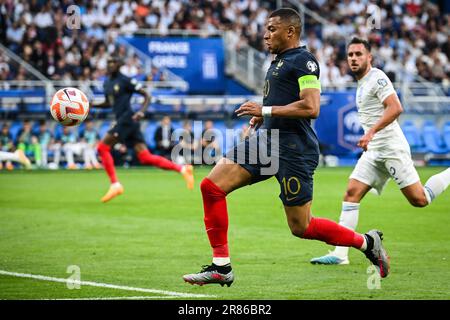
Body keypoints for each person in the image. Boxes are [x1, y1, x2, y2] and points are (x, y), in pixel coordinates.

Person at [182, 9, 389, 287]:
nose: (265, 35)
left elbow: (311, 106)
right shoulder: (279, 61)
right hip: (267, 142)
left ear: (290, 32)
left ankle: (366, 242)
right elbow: (285, 101)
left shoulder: (305, 61)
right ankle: (222, 266)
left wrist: (265, 109)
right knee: (211, 187)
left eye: (271, 29)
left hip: (294, 150)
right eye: (266, 29)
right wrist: (264, 115)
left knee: (301, 227)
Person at [310, 37, 450, 265]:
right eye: (350, 55)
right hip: (374, 151)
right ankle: (340, 254)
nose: (353, 58)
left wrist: (371, 131)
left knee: (420, 199)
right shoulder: (362, 82)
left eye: (358, 54)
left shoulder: (377, 78)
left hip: (391, 148)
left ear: (369, 57)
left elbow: (396, 107)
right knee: (351, 193)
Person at [92, 56, 194, 203]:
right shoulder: (107, 83)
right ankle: (183, 169)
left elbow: (147, 95)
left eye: (113, 62)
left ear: (119, 64)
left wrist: (141, 111)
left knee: (102, 147)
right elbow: (109, 102)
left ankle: (115, 184)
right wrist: (91, 105)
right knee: (145, 157)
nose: (110, 65)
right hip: (125, 121)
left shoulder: (125, 80)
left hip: (127, 119)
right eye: (108, 62)